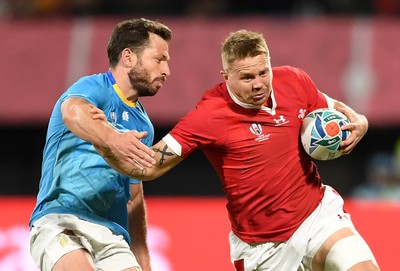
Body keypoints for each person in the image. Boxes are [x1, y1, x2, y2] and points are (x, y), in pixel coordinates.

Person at [95, 30, 379, 270]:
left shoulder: (294, 81)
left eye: (263, 72)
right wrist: (108, 145)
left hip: (317, 215)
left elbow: (334, 108)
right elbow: (150, 165)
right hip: (263, 247)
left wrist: (361, 122)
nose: (259, 84)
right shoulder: (209, 114)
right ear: (226, 76)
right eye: (247, 78)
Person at [29, 18, 172, 271]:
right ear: (129, 57)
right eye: (159, 59)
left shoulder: (144, 126)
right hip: (61, 220)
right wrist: (113, 139)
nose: (166, 71)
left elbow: (134, 200)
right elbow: (72, 112)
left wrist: (144, 261)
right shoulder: (93, 88)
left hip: (110, 235)